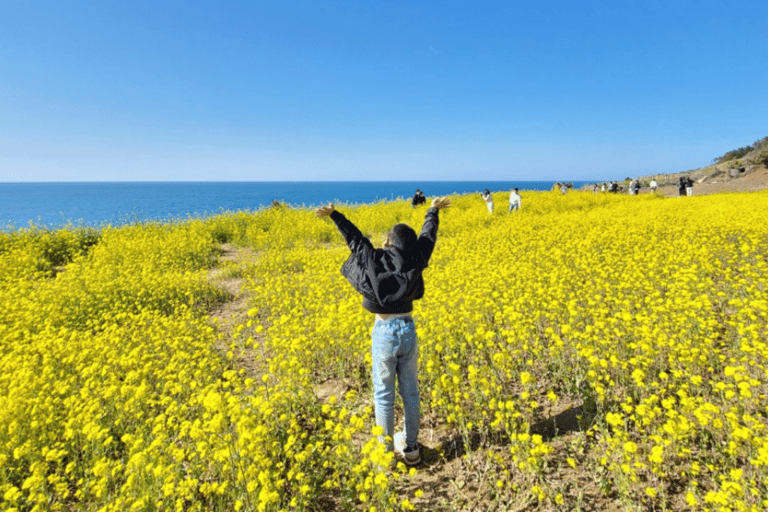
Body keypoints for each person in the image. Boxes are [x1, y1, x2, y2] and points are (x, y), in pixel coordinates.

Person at [315, 196, 452, 465]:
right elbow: (428, 237)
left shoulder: (374, 259)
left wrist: (335, 215)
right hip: (408, 331)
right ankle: (411, 449)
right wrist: (432, 211)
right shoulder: (417, 259)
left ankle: (386, 453)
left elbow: (355, 240)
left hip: (384, 333)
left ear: (388, 241)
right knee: (411, 393)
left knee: (384, 394)